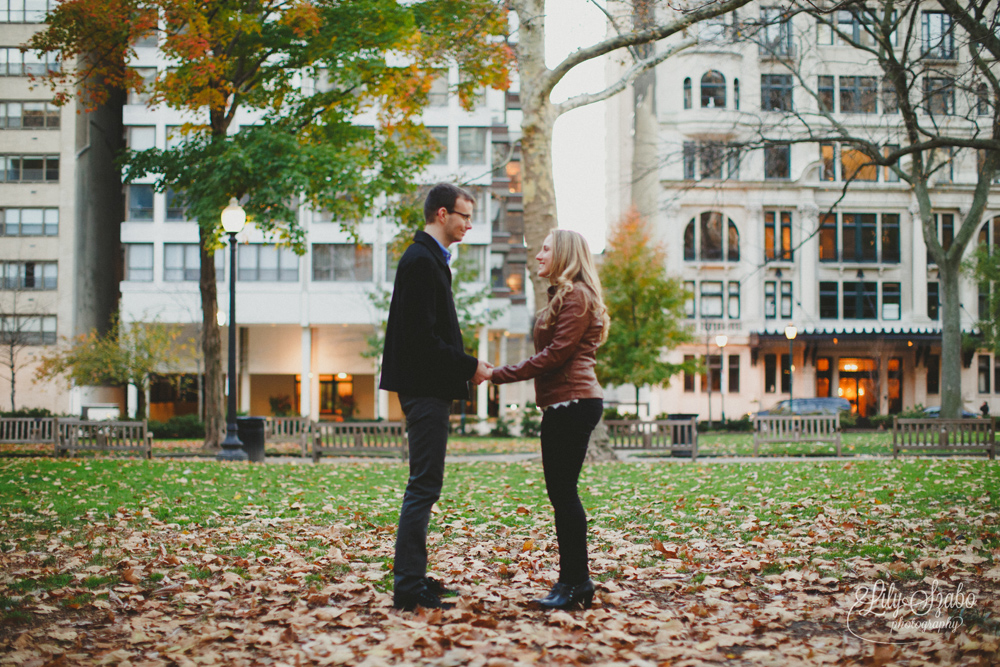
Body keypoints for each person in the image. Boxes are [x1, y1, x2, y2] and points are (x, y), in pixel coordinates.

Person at [379, 183, 493, 611]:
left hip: (427, 387)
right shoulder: (423, 261)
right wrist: (469, 366)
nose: (469, 224)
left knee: (425, 485)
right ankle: (408, 587)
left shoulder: (429, 259)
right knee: (423, 486)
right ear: (442, 214)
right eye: (465, 216)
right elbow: (422, 340)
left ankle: (413, 577)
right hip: (424, 389)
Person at [491, 229, 609, 610]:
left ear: (564, 255)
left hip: (573, 402)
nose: (538, 255)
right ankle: (572, 581)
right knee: (561, 494)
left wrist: (497, 374)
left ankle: (576, 582)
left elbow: (556, 355)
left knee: (564, 494)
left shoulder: (575, 296)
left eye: (545, 249)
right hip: (564, 403)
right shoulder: (564, 296)